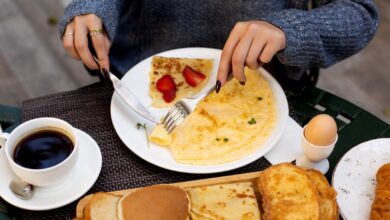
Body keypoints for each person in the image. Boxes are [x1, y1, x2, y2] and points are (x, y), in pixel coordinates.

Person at [60, 0, 378, 91]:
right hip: (142, 83)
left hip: (261, 87)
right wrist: (92, 7)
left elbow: (360, 13)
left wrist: (289, 29)